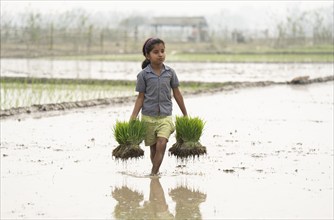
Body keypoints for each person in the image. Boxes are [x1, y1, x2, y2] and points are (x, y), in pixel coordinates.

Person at [130, 37, 188, 175]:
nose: (160, 54)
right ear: (147, 55)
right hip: (148, 117)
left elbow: (177, 94)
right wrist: (133, 116)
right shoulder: (143, 75)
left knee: (162, 143)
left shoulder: (170, 73)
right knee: (153, 149)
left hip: (165, 116)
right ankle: (156, 173)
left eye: (162, 51)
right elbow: (140, 97)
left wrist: (185, 113)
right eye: (156, 52)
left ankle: (153, 174)